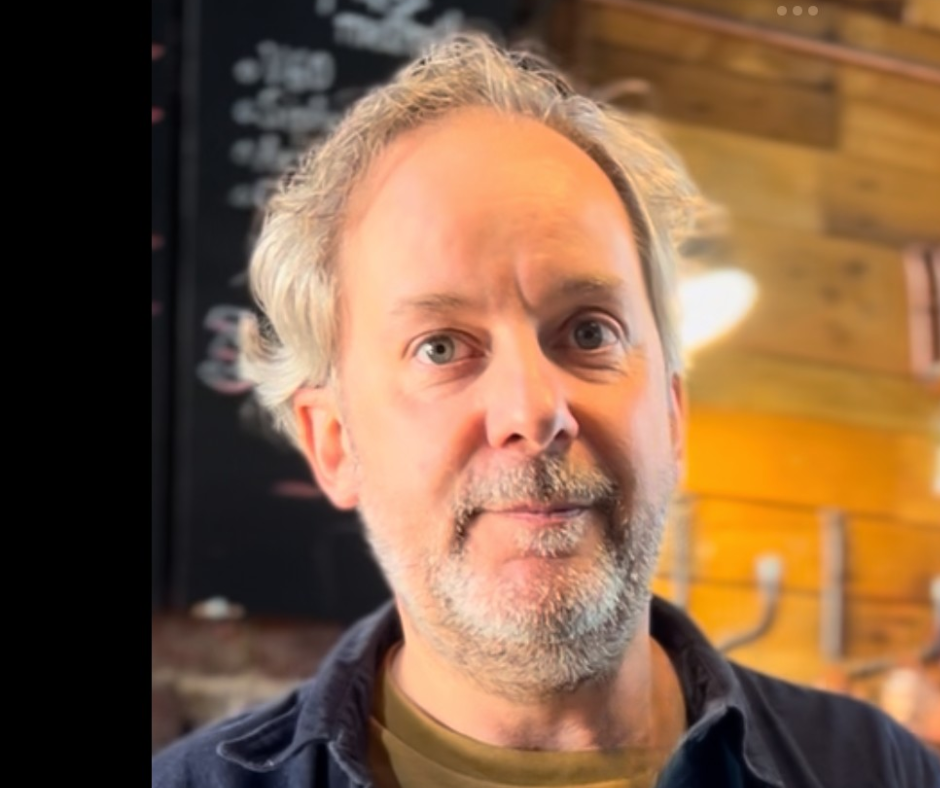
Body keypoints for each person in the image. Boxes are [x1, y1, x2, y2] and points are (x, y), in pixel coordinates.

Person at [152, 33, 940, 788]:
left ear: (671, 413)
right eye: (441, 347)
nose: (533, 410)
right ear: (334, 443)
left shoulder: (878, 769)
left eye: (588, 331)